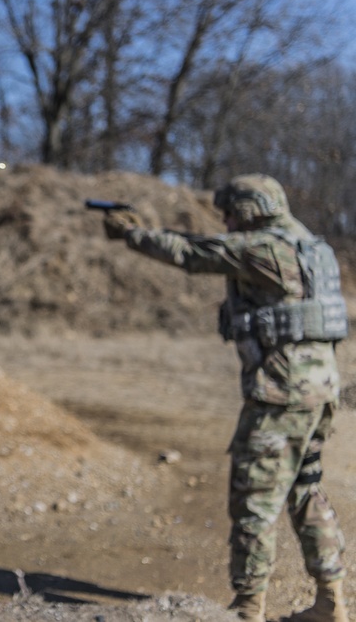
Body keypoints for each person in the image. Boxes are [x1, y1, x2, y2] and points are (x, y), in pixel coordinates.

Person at [102, 174, 348, 622]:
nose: (228, 221)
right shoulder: (313, 247)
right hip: (320, 389)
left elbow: (192, 253)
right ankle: (332, 600)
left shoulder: (261, 249)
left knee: (253, 496)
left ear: (254, 209)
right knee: (304, 487)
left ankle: (249, 607)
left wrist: (132, 234)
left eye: (232, 213)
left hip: (281, 393)